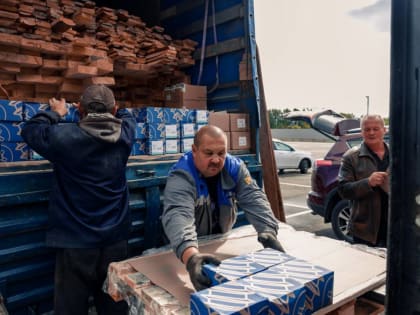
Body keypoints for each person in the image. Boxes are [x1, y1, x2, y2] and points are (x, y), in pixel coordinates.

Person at [21, 85, 136, 315]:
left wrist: (57, 112)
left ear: (80, 110)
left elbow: (31, 130)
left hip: (75, 243)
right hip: (114, 241)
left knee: (71, 309)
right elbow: (126, 114)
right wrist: (112, 109)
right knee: (114, 305)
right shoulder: (126, 135)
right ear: (113, 109)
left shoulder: (63, 137)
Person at [162, 125, 285, 291]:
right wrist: (191, 257)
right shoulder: (182, 175)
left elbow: (254, 198)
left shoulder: (235, 168)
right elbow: (178, 215)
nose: (216, 160)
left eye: (221, 153)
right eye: (208, 153)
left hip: (219, 243)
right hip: (187, 250)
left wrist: (268, 230)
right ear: (194, 150)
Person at [337, 114, 390, 247]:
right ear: (362, 132)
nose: (371, 132)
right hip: (365, 231)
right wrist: (368, 183)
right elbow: (343, 190)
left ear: (384, 130)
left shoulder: (399, 153)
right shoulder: (351, 157)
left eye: (376, 128)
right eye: (367, 129)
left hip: (397, 226)